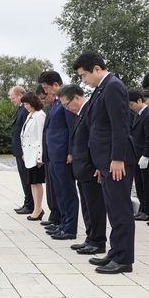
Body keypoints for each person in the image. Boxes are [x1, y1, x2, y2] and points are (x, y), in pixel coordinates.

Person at [73, 52, 135, 274]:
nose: (83, 81)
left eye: (84, 75)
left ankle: (123, 259)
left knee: (120, 210)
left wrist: (117, 159)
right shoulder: (102, 88)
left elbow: (120, 125)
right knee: (112, 208)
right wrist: (101, 164)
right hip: (106, 162)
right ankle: (115, 251)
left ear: (97, 69)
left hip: (117, 161)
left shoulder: (113, 86)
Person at [58, 84, 107, 255]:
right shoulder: (79, 114)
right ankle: (90, 237)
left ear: (77, 98)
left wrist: (99, 165)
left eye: (67, 104)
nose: (66, 107)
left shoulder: (90, 111)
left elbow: (96, 140)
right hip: (82, 169)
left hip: (91, 168)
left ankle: (98, 241)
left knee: (95, 207)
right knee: (87, 207)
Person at [39, 71, 79, 240]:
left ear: (56, 84)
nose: (46, 92)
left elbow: (72, 128)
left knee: (67, 192)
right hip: (53, 154)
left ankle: (70, 228)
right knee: (60, 192)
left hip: (63, 154)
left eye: (47, 88)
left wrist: (71, 151)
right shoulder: (55, 103)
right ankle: (62, 224)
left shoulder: (66, 102)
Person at [36, 86, 62, 228]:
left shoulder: (61, 105)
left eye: (44, 97)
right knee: (52, 189)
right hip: (50, 154)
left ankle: (60, 219)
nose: (43, 101)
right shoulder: (52, 107)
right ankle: (54, 215)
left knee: (59, 190)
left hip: (58, 154)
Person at [20, 92, 46, 221]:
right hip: (29, 154)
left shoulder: (40, 115)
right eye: (24, 104)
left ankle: (38, 209)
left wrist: (40, 157)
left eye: (27, 104)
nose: (25, 106)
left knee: (37, 182)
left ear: (33, 103)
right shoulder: (31, 115)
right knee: (32, 183)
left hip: (36, 156)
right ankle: (37, 208)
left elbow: (41, 136)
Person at [128, 90, 149, 222]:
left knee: (147, 185)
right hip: (136, 156)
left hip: (145, 157)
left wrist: (146, 155)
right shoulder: (138, 115)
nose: (130, 107)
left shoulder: (148, 115)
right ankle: (143, 209)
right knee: (139, 184)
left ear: (139, 101)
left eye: (132, 104)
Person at [9, 86, 32, 214]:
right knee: (24, 179)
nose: (11, 100)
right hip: (19, 151)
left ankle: (30, 204)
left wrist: (24, 151)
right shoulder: (20, 109)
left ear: (20, 96)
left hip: (23, 152)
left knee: (27, 178)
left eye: (13, 97)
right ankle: (27, 202)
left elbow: (26, 132)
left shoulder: (25, 110)